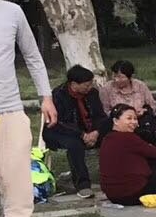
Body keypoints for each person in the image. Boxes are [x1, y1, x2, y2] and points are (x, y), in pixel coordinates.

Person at [0, 0, 57, 217]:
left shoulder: (12, 12)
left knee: (18, 187)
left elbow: (33, 56)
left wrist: (46, 97)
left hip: (9, 111)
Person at [45, 65, 110, 198]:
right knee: (75, 145)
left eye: (91, 84)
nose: (90, 87)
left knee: (113, 135)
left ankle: (114, 177)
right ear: (74, 84)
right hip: (61, 132)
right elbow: (60, 122)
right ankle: (83, 185)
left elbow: (100, 115)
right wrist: (82, 134)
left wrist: (96, 132)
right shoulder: (58, 95)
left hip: (90, 130)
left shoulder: (92, 93)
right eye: (86, 85)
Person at [99, 104, 156, 205]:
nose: (134, 122)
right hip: (132, 195)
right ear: (115, 121)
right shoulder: (129, 138)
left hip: (112, 196)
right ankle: (153, 192)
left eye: (135, 118)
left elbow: (145, 149)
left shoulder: (107, 138)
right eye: (129, 118)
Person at [100, 60, 156, 143]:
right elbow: (105, 111)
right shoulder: (107, 89)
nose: (116, 79)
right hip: (119, 125)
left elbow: (152, 106)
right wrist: (123, 117)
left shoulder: (140, 86)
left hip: (140, 122)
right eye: (114, 76)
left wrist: (143, 110)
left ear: (130, 77)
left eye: (121, 77)